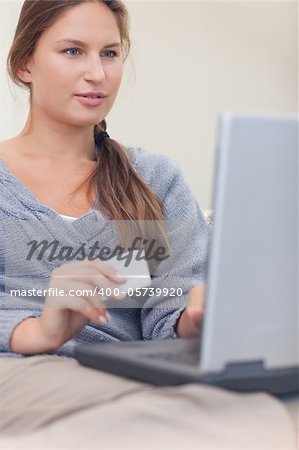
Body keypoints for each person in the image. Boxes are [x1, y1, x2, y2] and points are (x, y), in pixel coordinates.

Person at [0, 0, 209, 360]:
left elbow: (170, 319)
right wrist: (35, 331)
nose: (97, 73)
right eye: (72, 51)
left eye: (109, 53)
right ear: (24, 65)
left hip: (131, 380)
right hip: (19, 374)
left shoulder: (157, 179)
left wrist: (198, 316)